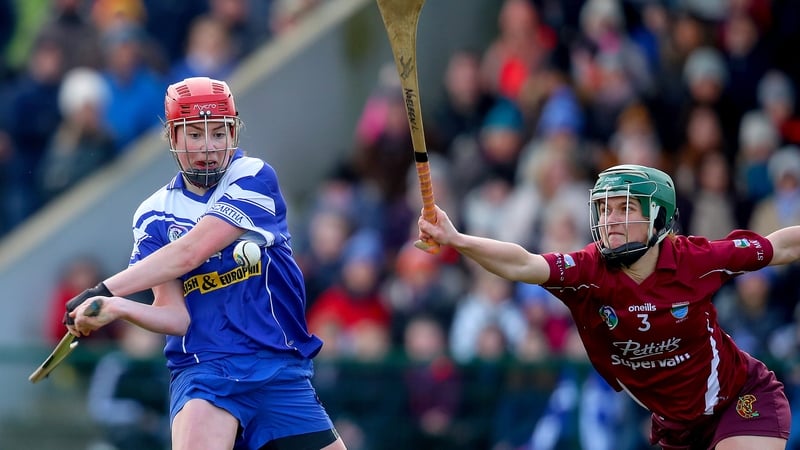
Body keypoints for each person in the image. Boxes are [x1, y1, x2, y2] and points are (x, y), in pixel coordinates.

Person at [417, 163, 796, 449]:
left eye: (624, 208)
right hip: (676, 426)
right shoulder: (588, 271)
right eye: (604, 209)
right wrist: (457, 238)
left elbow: (779, 246)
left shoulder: (694, 259)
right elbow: (522, 263)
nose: (610, 220)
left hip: (741, 398)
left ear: (657, 217)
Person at [63, 76, 347, 450]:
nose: (209, 147)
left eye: (219, 132)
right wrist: (116, 307)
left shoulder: (253, 178)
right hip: (206, 371)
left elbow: (190, 253)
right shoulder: (153, 215)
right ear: (173, 138)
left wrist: (105, 289)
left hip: (279, 369)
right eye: (194, 134)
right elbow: (176, 318)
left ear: (234, 133)